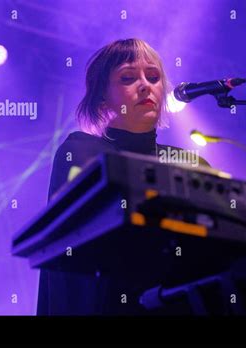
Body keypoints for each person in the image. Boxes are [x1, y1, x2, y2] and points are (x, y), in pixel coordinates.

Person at [37, 38, 209, 315]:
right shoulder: (82, 149)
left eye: (153, 77)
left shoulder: (190, 162)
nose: (145, 85)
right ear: (102, 97)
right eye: (128, 78)